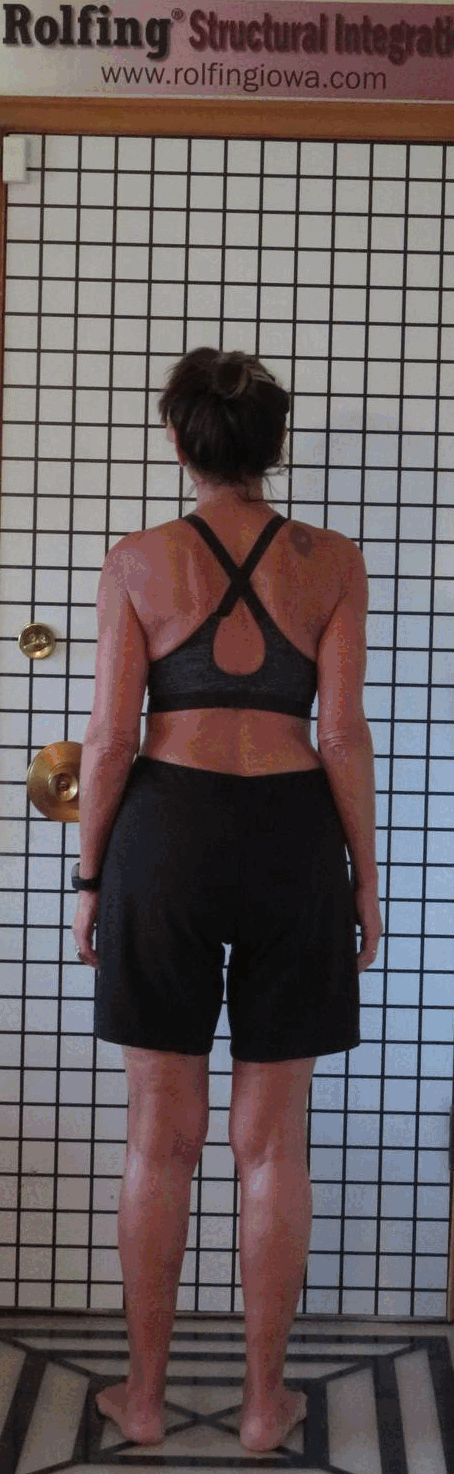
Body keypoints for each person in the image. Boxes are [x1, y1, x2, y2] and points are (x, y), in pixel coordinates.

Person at [72, 346, 383, 1452]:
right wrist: (366, 877)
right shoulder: (331, 561)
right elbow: (341, 734)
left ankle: (144, 1401)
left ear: (178, 439)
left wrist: (91, 877)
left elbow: (109, 739)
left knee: (160, 1137)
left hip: (167, 836)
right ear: (272, 444)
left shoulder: (137, 561)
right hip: (294, 837)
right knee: (272, 1141)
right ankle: (261, 1406)